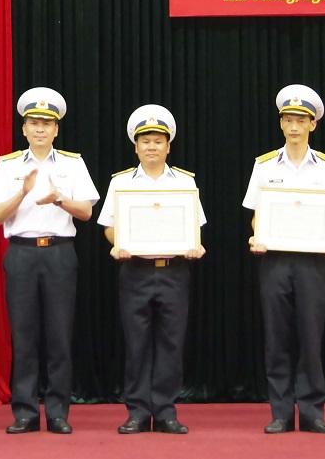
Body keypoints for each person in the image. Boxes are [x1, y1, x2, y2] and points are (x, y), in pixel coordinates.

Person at [0, 87, 100, 435]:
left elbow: (86, 212)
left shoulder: (72, 164)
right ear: (24, 129)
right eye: (34, 123)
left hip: (59, 254)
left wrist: (59, 199)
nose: (40, 129)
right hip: (21, 254)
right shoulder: (7, 165)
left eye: (46, 123)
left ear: (56, 129)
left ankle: (58, 412)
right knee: (23, 336)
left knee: (59, 336)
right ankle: (24, 412)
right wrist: (22, 192)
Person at [243, 84, 325, 435]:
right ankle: (280, 413)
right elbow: (257, 214)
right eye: (288, 120)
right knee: (276, 338)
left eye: (301, 121)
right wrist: (257, 236)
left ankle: (312, 411)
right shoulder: (264, 166)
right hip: (274, 261)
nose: (293, 126)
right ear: (281, 124)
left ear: (312, 125)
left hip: (313, 263)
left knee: (310, 336)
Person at [96, 105, 207, 434]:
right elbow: (108, 227)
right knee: (137, 344)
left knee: (172, 343)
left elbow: (195, 226)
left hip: (174, 271)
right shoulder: (120, 182)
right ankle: (138, 412)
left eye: (158, 141)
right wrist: (118, 242)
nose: (152, 147)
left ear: (168, 146)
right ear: (136, 146)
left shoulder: (185, 181)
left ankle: (166, 411)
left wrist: (195, 245)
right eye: (145, 141)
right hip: (136, 271)